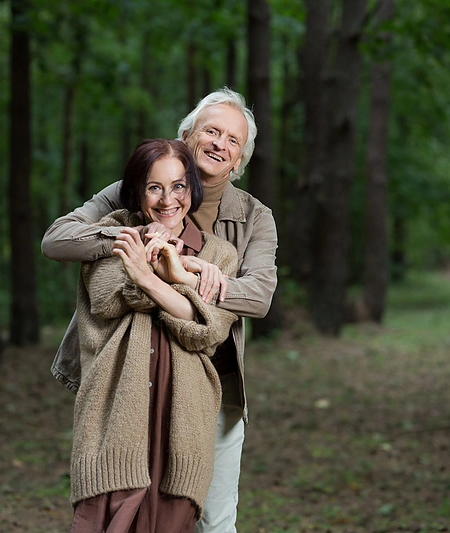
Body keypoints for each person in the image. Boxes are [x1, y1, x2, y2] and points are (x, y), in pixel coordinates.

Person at [42, 87, 278, 533]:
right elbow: (57, 240)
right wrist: (134, 241)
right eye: (211, 131)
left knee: (212, 519)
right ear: (187, 136)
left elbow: (258, 297)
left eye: (233, 140)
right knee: (119, 506)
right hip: (128, 375)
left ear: (239, 161)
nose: (219, 144)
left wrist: (187, 273)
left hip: (212, 378)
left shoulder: (252, 217)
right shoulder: (132, 192)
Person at [69, 138, 239, 532]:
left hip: (183, 424)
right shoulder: (113, 234)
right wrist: (179, 282)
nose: (168, 200)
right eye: (154, 187)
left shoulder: (219, 255)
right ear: (136, 191)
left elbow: (208, 331)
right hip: (112, 418)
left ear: (192, 188)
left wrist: (150, 277)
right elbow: (106, 299)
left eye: (178, 186)